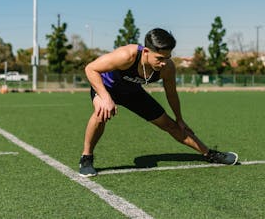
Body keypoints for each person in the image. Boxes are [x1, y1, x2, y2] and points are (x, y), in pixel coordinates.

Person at [79, 28, 238, 177]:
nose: (164, 62)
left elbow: (171, 94)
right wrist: (105, 97)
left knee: (171, 125)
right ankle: (86, 158)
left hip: (133, 92)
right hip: (106, 87)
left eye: (167, 58)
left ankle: (209, 154)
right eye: (160, 58)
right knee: (101, 114)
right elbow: (91, 69)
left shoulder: (167, 68)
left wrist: (179, 118)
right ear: (146, 51)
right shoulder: (126, 55)